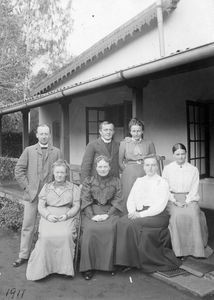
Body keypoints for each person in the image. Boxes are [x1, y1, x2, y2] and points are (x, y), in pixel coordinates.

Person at [115, 155, 181, 273]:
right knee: (122, 221)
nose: (150, 168)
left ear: (157, 167)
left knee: (132, 224)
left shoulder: (162, 182)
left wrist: (139, 215)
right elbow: (131, 199)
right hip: (139, 213)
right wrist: (132, 212)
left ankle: (133, 261)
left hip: (158, 216)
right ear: (143, 167)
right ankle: (125, 260)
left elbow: (160, 206)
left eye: (153, 165)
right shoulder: (139, 181)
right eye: (147, 165)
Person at [13, 124, 62, 267]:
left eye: (46, 133)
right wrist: (27, 188)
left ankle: (47, 257)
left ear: (50, 135)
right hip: (32, 196)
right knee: (28, 226)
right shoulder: (29, 151)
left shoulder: (57, 152)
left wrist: (59, 192)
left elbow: (63, 172)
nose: (44, 136)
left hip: (50, 198)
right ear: (37, 135)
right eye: (41, 134)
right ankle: (23, 255)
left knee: (49, 227)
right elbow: (19, 170)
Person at [26, 159, 80, 280]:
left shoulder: (73, 188)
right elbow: (41, 205)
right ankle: (44, 270)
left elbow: (76, 205)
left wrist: (67, 215)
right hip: (49, 216)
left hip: (66, 216)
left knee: (66, 235)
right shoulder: (46, 187)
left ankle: (64, 269)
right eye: (57, 172)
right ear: (53, 173)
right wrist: (47, 215)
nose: (59, 175)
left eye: (62, 172)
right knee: (45, 237)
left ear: (66, 173)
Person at [162, 143, 211, 258]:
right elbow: (165, 188)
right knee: (177, 216)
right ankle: (179, 251)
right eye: (177, 154)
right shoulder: (167, 169)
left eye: (183, 154)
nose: (180, 157)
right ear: (173, 155)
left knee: (193, 214)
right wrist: (174, 201)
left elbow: (194, 188)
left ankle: (195, 250)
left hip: (190, 198)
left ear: (186, 154)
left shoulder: (193, 169)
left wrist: (188, 201)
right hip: (172, 199)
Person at [79, 155, 123, 280]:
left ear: (109, 167)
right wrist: (92, 216)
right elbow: (85, 199)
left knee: (110, 229)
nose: (102, 169)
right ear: (96, 167)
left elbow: (118, 200)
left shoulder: (116, 181)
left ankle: (108, 265)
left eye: (105, 166)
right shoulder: (88, 180)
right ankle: (87, 267)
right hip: (91, 210)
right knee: (90, 230)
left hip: (111, 211)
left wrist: (107, 215)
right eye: (100, 166)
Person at [119, 118, 156, 211]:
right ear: (130, 131)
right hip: (129, 174)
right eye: (134, 131)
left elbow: (153, 160)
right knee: (128, 195)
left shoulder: (149, 143)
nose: (136, 133)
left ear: (142, 131)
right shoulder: (124, 143)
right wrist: (127, 171)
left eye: (138, 131)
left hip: (145, 172)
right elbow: (120, 162)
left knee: (144, 196)